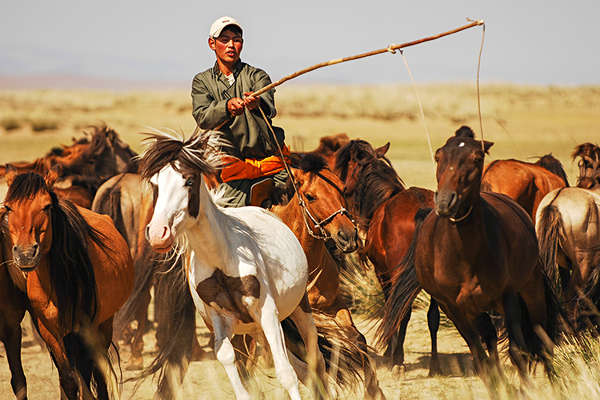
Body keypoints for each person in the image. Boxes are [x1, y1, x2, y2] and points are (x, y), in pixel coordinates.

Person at [191, 16, 290, 208]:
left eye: (236, 40)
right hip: (232, 170)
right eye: (224, 40)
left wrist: (257, 103)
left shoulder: (257, 75)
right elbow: (203, 117)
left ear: (242, 44)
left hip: (274, 165)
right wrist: (226, 107)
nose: (231, 45)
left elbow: (269, 107)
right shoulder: (202, 81)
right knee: (232, 223)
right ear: (212, 43)